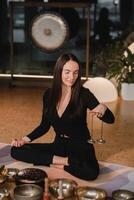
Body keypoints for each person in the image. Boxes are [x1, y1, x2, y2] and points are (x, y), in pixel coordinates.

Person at [11, 53, 115, 181]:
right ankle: (63, 162)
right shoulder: (48, 95)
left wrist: (103, 109)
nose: (72, 77)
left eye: (75, 73)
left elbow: (111, 120)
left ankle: (57, 164)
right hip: (59, 145)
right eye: (67, 72)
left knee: (91, 172)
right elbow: (44, 126)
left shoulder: (84, 94)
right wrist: (25, 139)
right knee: (16, 151)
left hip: (80, 145)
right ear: (59, 71)